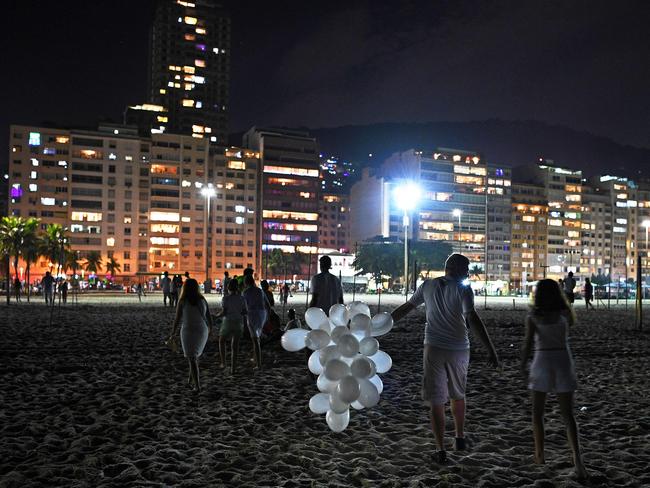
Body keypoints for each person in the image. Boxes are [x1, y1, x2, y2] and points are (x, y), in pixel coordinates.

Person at [390, 253, 500, 463]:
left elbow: (406, 308)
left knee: (436, 401)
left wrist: (384, 322)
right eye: (466, 268)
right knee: (458, 394)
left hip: (433, 348)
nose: (468, 273)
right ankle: (459, 437)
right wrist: (490, 349)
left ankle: (440, 449)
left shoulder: (427, 286)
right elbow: (473, 319)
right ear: (458, 269)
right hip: (459, 348)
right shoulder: (464, 289)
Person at [520, 279, 587, 479]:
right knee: (568, 416)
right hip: (562, 359)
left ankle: (540, 456)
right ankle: (578, 459)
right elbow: (569, 325)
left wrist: (523, 364)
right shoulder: (565, 314)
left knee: (537, 414)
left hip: (542, 359)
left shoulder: (533, 317)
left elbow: (527, 344)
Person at [168, 278, 213, 392]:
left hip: (188, 330)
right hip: (201, 330)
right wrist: (210, 328)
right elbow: (208, 316)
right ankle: (190, 380)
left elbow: (177, 319)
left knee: (192, 357)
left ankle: (197, 386)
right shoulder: (202, 299)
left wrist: (172, 333)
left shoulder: (182, 300)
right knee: (193, 357)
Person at [214, 279, 247, 374]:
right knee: (235, 346)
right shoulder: (242, 298)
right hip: (238, 322)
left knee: (222, 341)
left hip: (228, 321)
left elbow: (223, 312)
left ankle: (223, 362)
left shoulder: (226, 298)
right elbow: (245, 311)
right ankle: (233, 368)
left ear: (228, 287)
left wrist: (216, 316)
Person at [242, 274, 271, 369]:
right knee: (256, 337)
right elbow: (268, 305)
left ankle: (258, 363)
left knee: (255, 340)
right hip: (262, 314)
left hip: (252, 314)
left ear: (246, 283)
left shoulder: (245, 292)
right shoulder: (260, 291)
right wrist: (267, 317)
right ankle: (255, 358)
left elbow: (243, 307)